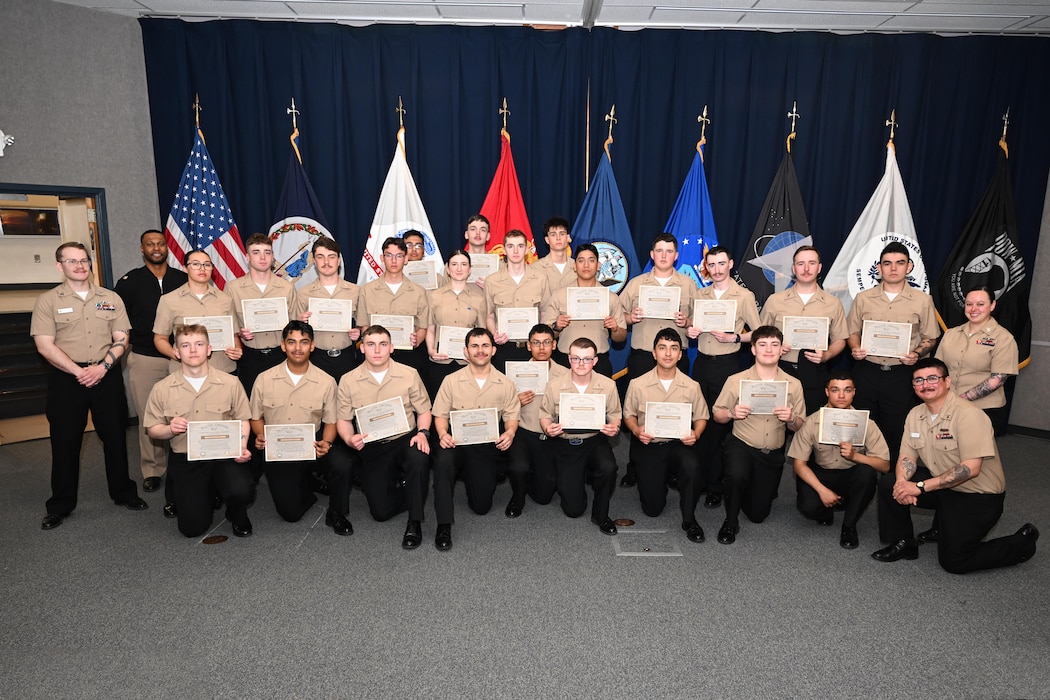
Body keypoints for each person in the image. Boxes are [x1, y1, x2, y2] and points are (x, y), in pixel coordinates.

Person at [871, 358, 1038, 573]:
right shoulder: (915, 414)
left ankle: (1020, 544)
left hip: (977, 495)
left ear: (947, 381)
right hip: (942, 486)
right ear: (913, 386)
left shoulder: (969, 415)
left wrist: (919, 487)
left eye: (933, 378)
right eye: (919, 380)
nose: (926, 384)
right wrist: (903, 484)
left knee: (955, 561)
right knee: (889, 483)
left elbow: (970, 468)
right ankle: (905, 544)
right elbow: (907, 456)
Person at [32, 242, 148, 529]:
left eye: (84, 260)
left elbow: (122, 337)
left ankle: (123, 492)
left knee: (115, 438)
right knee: (65, 442)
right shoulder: (48, 301)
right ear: (60, 266)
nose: (80, 266)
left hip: (105, 375)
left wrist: (102, 368)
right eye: (72, 261)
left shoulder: (110, 298)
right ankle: (60, 504)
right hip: (66, 379)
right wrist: (78, 371)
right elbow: (44, 346)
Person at [154, 248, 244, 515]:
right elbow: (159, 337)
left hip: (222, 375)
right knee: (182, 436)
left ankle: (217, 490)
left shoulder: (225, 300)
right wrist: (177, 353)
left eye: (207, 264)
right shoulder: (170, 301)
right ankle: (175, 495)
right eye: (196, 263)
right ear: (185, 267)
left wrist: (237, 348)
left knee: (220, 435)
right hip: (186, 379)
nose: (202, 268)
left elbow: (234, 335)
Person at [143, 324, 254, 538]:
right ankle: (201, 493)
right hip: (188, 459)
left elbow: (243, 420)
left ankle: (236, 512)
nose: (193, 350)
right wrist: (169, 429)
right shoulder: (162, 389)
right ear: (176, 352)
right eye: (185, 345)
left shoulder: (231, 383)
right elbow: (152, 430)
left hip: (224, 456)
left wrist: (241, 446)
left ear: (209, 349)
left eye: (199, 344)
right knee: (192, 529)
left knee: (242, 489)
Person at [249, 321, 352, 536]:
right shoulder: (264, 379)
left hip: (312, 442)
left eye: (304, 342)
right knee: (291, 514)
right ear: (283, 346)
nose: (298, 348)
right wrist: (260, 434)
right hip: (279, 447)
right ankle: (305, 486)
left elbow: (331, 421)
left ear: (312, 346)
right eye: (292, 342)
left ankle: (337, 512)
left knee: (342, 463)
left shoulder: (326, 381)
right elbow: (255, 416)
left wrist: (327, 442)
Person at [336, 325, 433, 549]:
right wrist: (350, 439)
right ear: (362, 349)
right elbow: (343, 420)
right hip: (372, 445)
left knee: (419, 457)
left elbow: (424, 411)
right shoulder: (348, 380)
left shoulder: (409, 374)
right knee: (381, 512)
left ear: (391, 348)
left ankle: (415, 522)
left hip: (405, 438)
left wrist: (422, 433)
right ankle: (410, 488)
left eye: (383, 344)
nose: (377, 350)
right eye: (371, 344)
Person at [847, 241, 940, 463]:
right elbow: (852, 332)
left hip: (901, 374)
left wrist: (917, 353)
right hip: (867, 370)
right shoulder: (863, 298)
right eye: (887, 263)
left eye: (900, 263)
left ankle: (892, 481)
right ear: (879, 268)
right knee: (861, 427)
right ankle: (862, 475)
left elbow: (931, 338)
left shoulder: (922, 300)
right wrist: (855, 348)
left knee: (896, 429)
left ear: (909, 267)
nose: (893, 268)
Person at [711, 325, 806, 545]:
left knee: (757, 515)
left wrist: (791, 418)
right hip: (742, 444)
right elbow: (717, 415)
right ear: (753, 349)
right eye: (762, 344)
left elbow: (799, 426)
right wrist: (732, 412)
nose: (769, 350)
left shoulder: (794, 385)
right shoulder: (736, 380)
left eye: (774, 345)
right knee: (736, 475)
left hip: (771, 452)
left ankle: (749, 490)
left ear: (782, 349)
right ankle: (730, 521)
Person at [619, 233, 699, 487]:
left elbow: (699, 321)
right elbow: (617, 314)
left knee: (675, 412)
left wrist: (686, 322)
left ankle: (674, 467)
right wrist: (631, 317)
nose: (664, 255)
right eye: (659, 251)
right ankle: (634, 466)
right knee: (639, 412)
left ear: (676, 256)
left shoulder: (688, 285)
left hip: (677, 358)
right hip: (643, 356)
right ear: (652, 254)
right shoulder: (636, 284)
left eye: (669, 251)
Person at [685, 245, 762, 504]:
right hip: (702, 364)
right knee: (699, 420)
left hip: (728, 366)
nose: (716, 270)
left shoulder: (744, 296)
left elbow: (759, 333)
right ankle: (699, 478)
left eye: (721, 264)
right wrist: (691, 332)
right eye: (712, 265)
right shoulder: (701, 293)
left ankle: (716, 485)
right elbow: (693, 326)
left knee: (720, 427)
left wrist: (736, 337)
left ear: (730, 264)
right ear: (707, 267)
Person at [431, 328, 520, 551]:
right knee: (442, 462)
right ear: (466, 351)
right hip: (456, 443)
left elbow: (511, 417)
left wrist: (509, 433)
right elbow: (440, 415)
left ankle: (469, 476)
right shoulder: (450, 381)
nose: (480, 351)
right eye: (474, 346)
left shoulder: (506, 383)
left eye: (485, 346)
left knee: (481, 507)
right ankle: (443, 524)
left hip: (486, 447)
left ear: (493, 350)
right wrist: (443, 434)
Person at [114, 229, 188, 493]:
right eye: (150, 244)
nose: (156, 248)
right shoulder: (129, 282)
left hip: (182, 360)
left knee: (185, 412)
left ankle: (187, 463)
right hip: (146, 358)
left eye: (160, 243)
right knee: (150, 415)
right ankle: (153, 469)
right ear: (141, 248)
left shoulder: (183, 278)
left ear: (167, 247)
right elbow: (118, 320)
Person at [622, 328, 710, 543]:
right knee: (652, 509)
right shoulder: (637, 384)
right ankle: (659, 479)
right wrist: (635, 430)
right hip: (649, 445)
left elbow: (701, 417)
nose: (668, 354)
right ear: (654, 353)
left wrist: (696, 434)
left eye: (674, 349)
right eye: (662, 348)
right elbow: (629, 415)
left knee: (692, 466)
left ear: (681, 354)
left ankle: (689, 519)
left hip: (678, 444)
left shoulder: (692, 386)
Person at [787, 371, 891, 549]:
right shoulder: (812, 422)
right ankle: (826, 510)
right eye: (835, 390)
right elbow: (798, 465)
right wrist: (822, 491)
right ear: (827, 392)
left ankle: (849, 526)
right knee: (808, 508)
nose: (841, 396)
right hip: (822, 473)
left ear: (854, 392)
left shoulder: (867, 424)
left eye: (847, 390)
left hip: (851, 474)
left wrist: (855, 456)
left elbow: (885, 466)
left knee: (867, 473)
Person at [539, 337, 623, 536]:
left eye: (587, 359)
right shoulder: (554, 385)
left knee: (609, 467)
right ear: (569, 359)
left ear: (595, 361)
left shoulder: (608, 385)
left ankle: (601, 514)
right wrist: (548, 428)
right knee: (574, 510)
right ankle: (579, 479)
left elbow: (615, 414)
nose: (581, 364)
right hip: (566, 443)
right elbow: (544, 414)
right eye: (576, 359)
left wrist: (614, 427)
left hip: (594, 440)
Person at [759, 245, 849, 415]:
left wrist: (827, 355)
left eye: (812, 263)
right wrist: (775, 347)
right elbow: (760, 336)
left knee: (809, 426)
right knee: (776, 424)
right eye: (801, 264)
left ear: (819, 267)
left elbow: (840, 339)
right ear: (794, 268)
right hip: (779, 371)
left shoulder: (833, 303)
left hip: (815, 373)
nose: (806, 269)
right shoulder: (775, 301)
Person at [935, 285, 1018, 436]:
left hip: (983, 409)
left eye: (980, 304)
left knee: (975, 455)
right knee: (945, 452)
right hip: (946, 404)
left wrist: (960, 400)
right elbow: (937, 369)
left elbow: (998, 379)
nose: (974, 309)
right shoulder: (951, 334)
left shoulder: (1004, 338)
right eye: (969, 304)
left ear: (992, 305)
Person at [505, 323, 570, 516]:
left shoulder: (566, 375)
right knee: (518, 468)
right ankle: (517, 497)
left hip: (550, 437)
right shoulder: (514, 373)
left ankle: (536, 474)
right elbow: (501, 408)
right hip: (523, 433)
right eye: (536, 343)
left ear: (554, 345)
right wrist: (515, 401)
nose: (541, 348)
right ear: (528, 346)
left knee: (544, 497)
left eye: (546, 342)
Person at [226, 233, 298, 397]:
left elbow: (294, 326)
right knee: (253, 407)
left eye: (267, 252)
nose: (262, 257)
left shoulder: (286, 288)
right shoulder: (233, 288)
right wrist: (239, 333)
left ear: (273, 257)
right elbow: (229, 326)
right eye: (256, 252)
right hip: (250, 358)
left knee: (283, 403)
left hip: (281, 356)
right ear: (247, 257)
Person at [542, 243, 627, 378]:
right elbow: (546, 334)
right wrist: (556, 326)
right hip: (566, 362)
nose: (586, 265)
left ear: (598, 265)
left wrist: (615, 328)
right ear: (574, 266)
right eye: (581, 260)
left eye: (591, 260)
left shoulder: (611, 298)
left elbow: (621, 337)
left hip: (599, 362)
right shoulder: (559, 295)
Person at [356, 237, 430, 377]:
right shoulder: (367, 290)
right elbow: (364, 326)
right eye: (389, 255)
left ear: (406, 259)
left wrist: (417, 340)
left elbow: (422, 327)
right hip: (376, 357)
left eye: (399, 256)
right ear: (382, 258)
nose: (394, 261)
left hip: (407, 357)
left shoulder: (419, 292)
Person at [294, 237, 361, 382]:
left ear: (338, 261)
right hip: (316, 359)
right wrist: (300, 323)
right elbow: (296, 333)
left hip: (348, 358)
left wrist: (359, 332)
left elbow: (363, 324)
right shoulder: (303, 293)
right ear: (314, 261)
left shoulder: (355, 291)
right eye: (320, 257)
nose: (326, 262)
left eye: (331, 257)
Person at [424, 249, 488, 397]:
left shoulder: (479, 298)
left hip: (468, 363)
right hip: (440, 361)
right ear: (448, 268)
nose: (459, 269)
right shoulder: (434, 296)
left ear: (470, 269)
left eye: (464, 264)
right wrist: (431, 350)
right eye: (454, 264)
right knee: (439, 408)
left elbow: (481, 332)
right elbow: (430, 328)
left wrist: (476, 354)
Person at [485, 229, 551, 370]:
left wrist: (539, 340)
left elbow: (545, 313)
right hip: (503, 348)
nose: (515, 251)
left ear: (526, 249)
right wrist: (494, 333)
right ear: (504, 249)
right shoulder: (492, 281)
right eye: (510, 246)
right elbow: (489, 315)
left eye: (520, 246)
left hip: (532, 349)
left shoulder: (540, 279)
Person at [532, 216, 576, 291]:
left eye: (562, 234)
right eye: (553, 234)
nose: (558, 238)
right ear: (547, 240)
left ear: (568, 237)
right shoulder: (535, 269)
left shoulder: (579, 268)